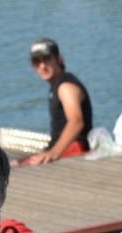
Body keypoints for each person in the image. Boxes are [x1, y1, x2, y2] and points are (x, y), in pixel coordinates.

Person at [21, 38, 92, 166]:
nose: (42, 66)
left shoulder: (66, 86)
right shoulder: (57, 85)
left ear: (59, 59)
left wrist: (53, 153)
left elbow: (76, 122)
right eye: (36, 62)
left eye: (46, 59)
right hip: (63, 148)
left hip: (75, 148)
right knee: (13, 164)